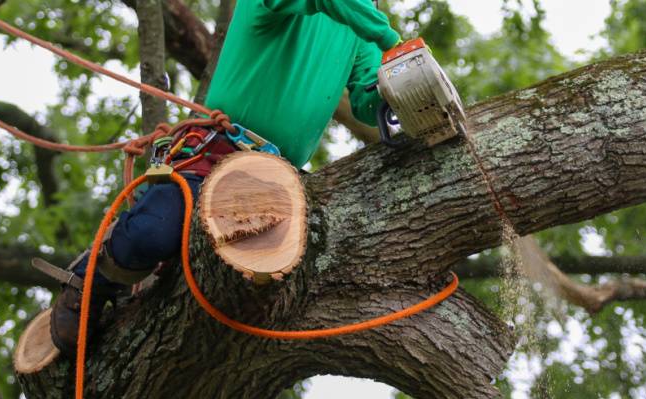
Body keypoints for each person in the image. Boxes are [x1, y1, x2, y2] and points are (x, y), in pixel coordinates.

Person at [48, 0, 401, 354]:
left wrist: (397, 90)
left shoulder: (360, 31)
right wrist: (391, 40)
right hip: (216, 152)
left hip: (278, 179)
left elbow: (367, 98)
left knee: (276, 289)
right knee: (150, 235)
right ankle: (91, 282)